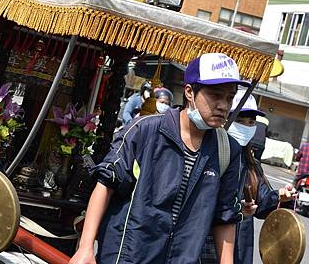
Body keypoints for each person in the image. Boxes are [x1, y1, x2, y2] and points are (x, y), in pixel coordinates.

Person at [70, 53, 245, 264]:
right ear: (189, 92)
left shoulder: (227, 149)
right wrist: (86, 247)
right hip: (129, 257)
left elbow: (225, 216)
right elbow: (106, 183)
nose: (224, 105)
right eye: (216, 95)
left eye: (229, 97)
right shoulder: (145, 131)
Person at [207, 91, 296, 264]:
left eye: (251, 122)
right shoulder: (209, 156)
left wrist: (280, 196)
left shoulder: (251, 164)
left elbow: (262, 204)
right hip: (208, 246)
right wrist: (237, 210)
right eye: (239, 121)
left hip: (240, 249)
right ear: (225, 119)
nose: (245, 126)